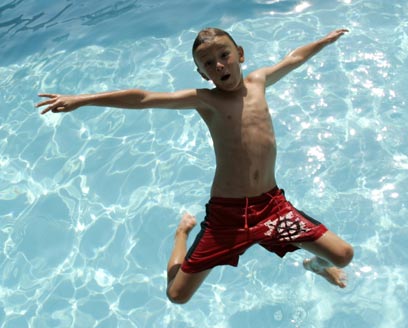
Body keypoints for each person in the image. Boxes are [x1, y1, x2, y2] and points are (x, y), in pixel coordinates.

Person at [36, 27, 354, 304]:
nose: (218, 65)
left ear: (240, 54)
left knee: (342, 255)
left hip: (272, 208)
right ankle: (181, 234)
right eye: (208, 64)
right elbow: (144, 98)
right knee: (177, 295)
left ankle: (315, 265)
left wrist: (324, 42)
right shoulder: (206, 100)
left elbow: (294, 58)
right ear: (203, 74)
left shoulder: (259, 81)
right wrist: (83, 99)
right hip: (227, 217)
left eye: (224, 55)